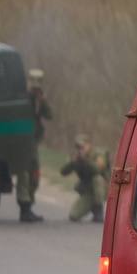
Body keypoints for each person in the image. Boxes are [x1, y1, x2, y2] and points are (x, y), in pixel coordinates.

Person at [15, 69, 53, 223]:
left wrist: (42, 101)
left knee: (34, 175)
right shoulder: (22, 97)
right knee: (24, 175)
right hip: (22, 142)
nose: (36, 85)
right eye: (34, 81)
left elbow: (50, 115)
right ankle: (25, 208)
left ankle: (28, 206)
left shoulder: (39, 99)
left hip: (33, 142)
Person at [60, 133, 109, 223]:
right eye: (78, 147)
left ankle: (99, 209)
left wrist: (86, 160)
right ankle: (93, 206)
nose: (80, 149)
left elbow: (98, 170)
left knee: (97, 179)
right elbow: (63, 172)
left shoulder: (98, 154)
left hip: (104, 188)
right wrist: (72, 162)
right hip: (88, 190)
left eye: (82, 146)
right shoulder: (77, 157)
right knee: (73, 215)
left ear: (89, 145)